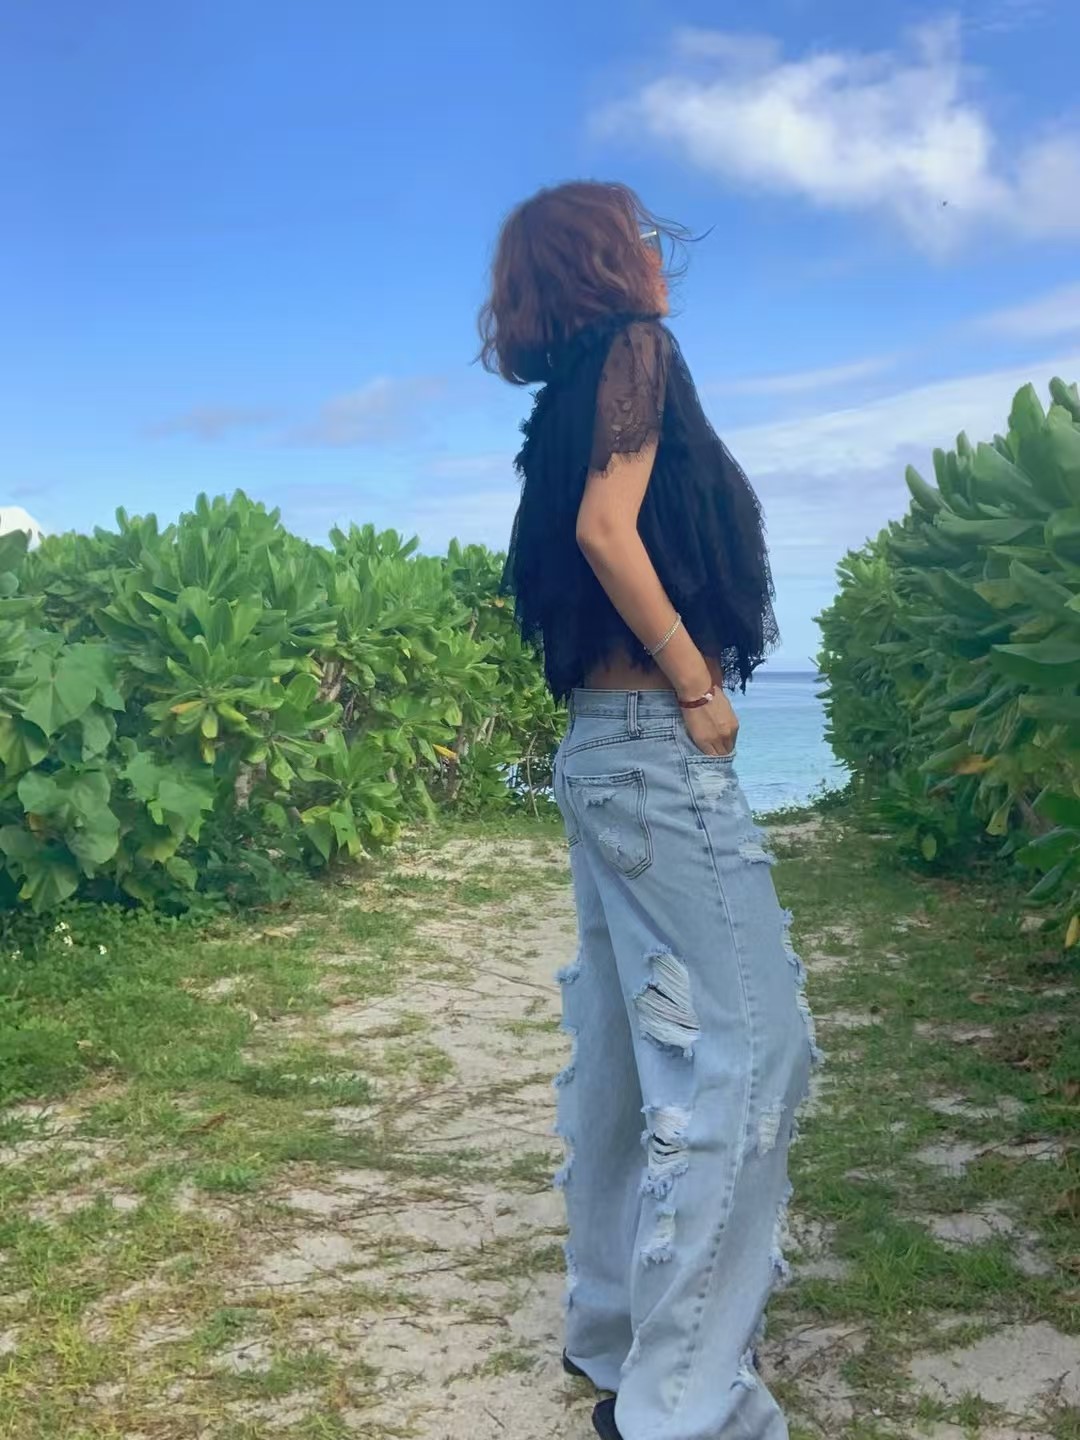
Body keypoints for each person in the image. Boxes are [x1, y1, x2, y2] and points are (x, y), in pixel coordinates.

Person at [479, 180, 819, 1440]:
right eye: (648, 238)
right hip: (652, 752)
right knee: (751, 1052)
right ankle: (685, 1408)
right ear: (606, 263)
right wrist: (697, 686)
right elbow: (608, 530)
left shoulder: (567, 399)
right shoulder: (636, 352)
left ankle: (619, 1336)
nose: (663, 256)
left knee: (629, 1056)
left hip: (597, 749)